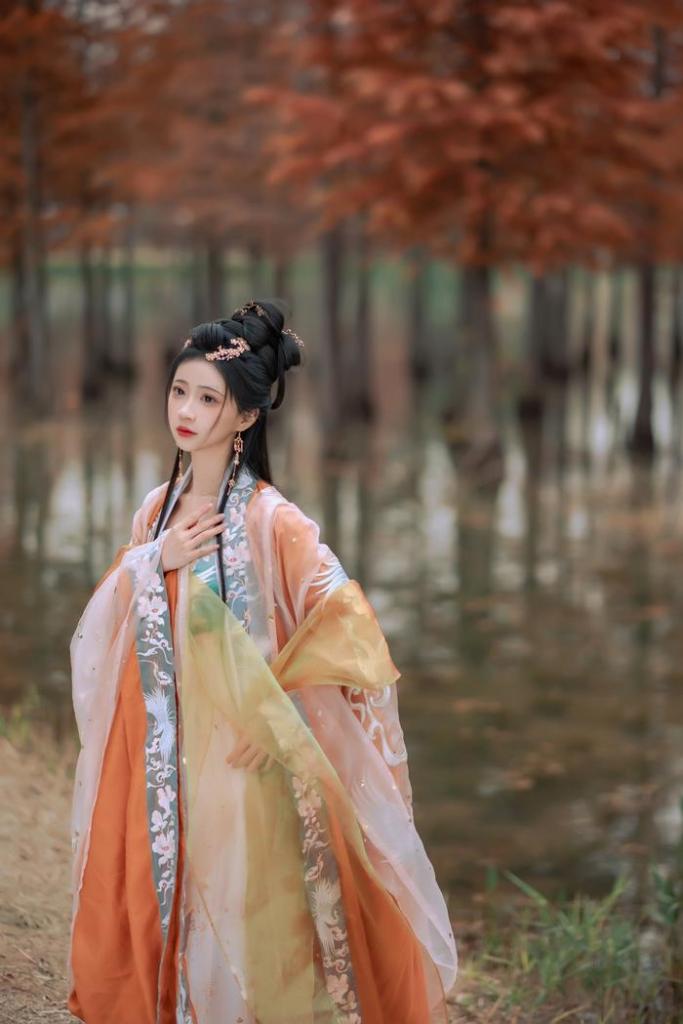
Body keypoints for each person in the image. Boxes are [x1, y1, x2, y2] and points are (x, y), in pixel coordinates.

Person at [67, 299, 457, 1024]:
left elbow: (347, 626)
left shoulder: (274, 520)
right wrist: (155, 559)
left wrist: (281, 712)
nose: (186, 411)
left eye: (207, 399)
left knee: (247, 916)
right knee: (169, 895)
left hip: (246, 757)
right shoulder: (155, 510)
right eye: (179, 391)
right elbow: (117, 615)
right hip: (166, 746)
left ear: (247, 416)